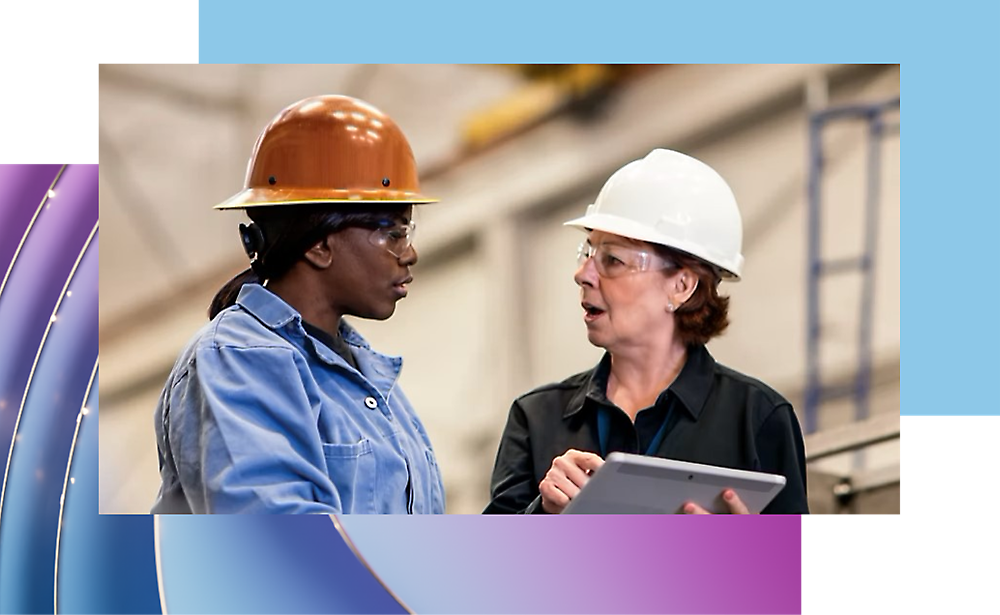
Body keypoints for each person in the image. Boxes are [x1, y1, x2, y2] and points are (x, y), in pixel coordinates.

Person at [151, 95, 446, 514]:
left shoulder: (371, 383)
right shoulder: (238, 360)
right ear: (320, 244)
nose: (409, 252)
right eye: (393, 232)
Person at [485, 148, 809, 515]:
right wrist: (543, 515)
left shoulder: (756, 419)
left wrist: (739, 560)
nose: (583, 274)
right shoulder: (536, 419)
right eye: (588, 252)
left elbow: (798, 572)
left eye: (612, 259)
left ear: (682, 286)